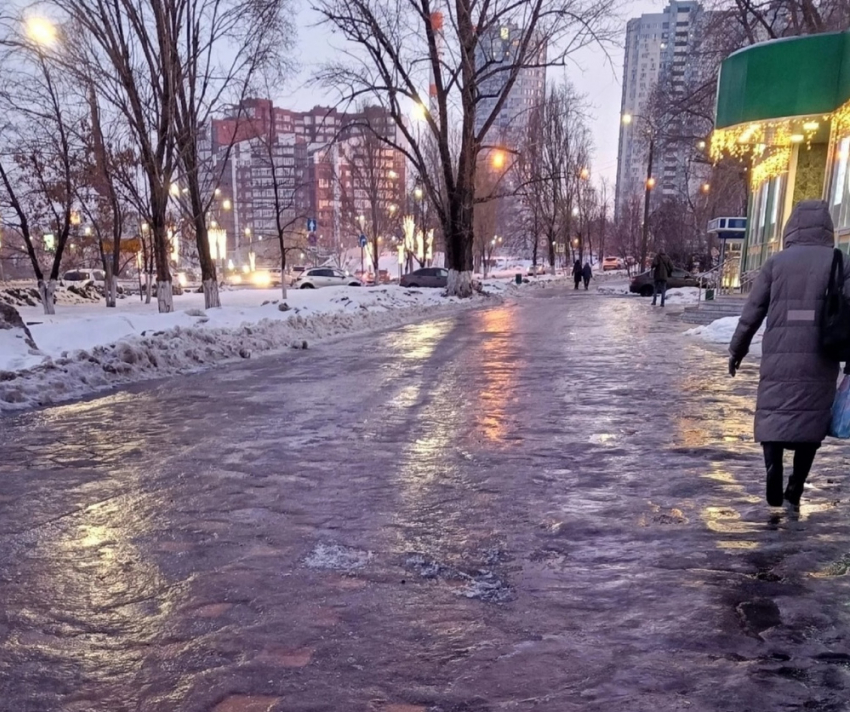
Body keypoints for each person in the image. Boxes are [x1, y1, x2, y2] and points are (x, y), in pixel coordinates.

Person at [729, 200, 850, 508]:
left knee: (774, 411)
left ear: (792, 226)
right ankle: (795, 486)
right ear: (827, 228)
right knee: (811, 421)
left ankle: (773, 465)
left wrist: (737, 349)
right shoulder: (841, 261)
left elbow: (752, 310)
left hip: (779, 352)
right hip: (821, 354)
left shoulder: (776, 263)